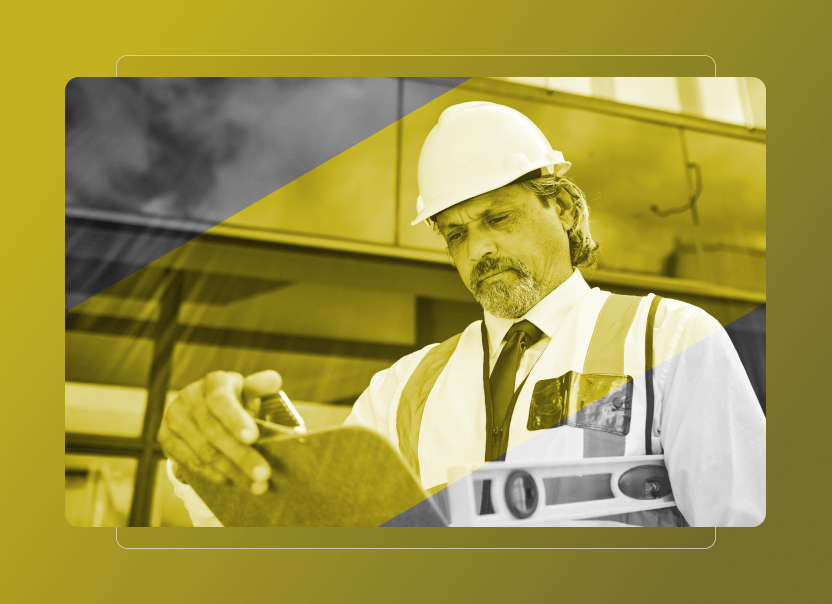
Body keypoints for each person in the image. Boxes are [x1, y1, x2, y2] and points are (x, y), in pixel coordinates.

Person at [160, 101, 766, 527]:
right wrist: (233, 456)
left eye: (497, 219)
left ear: (562, 209)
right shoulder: (401, 390)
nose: (478, 250)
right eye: (454, 234)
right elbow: (325, 539)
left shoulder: (672, 341)